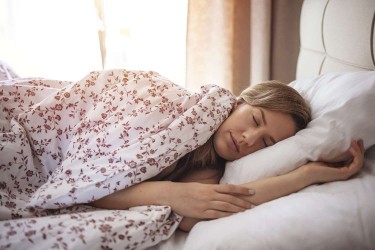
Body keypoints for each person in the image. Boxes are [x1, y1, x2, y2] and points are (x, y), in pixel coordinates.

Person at [90, 80, 365, 232]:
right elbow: (90, 184)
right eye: (255, 120)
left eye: (266, 143)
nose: (249, 140)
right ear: (241, 101)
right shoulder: (181, 110)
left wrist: (308, 174)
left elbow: (213, 207)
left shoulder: (210, 171)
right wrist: (169, 193)